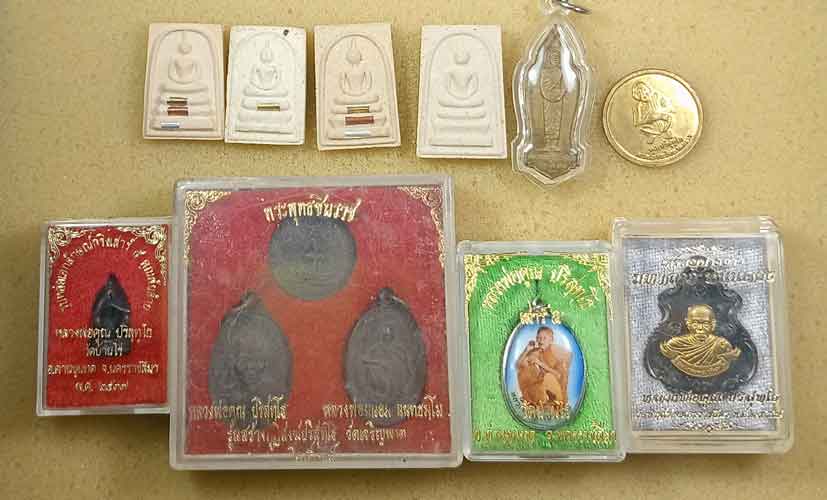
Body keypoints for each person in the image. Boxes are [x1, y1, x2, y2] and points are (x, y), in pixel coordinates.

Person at [660, 304, 741, 378]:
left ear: (712, 325)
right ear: (688, 324)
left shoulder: (722, 345)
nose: (700, 328)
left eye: (705, 324)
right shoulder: (676, 344)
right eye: (695, 323)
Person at [517, 326, 571, 412]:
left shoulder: (556, 353)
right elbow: (519, 365)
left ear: (551, 340)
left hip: (554, 389)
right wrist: (526, 350)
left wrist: (539, 363)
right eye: (538, 338)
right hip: (538, 388)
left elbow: (558, 375)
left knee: (548, 377)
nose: (541, 340)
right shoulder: (535, 352)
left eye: (544, 338)